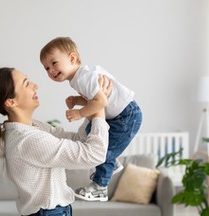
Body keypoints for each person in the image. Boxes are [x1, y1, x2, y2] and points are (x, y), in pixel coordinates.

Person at [0, 67, 112, 216]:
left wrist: (91, 109)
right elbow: (95, 155)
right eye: (26, 83)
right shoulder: (27, 140)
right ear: (11, 102)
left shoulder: (34, 128)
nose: (35, 85)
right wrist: (99, 108)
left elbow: (77, 140)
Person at [40, 37, 143, 202]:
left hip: (126, 116)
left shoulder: (83, 78)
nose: (51, 70)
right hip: (117, 115)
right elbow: (94, 99)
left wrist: (79, 113)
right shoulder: (78, 79)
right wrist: (77, 100)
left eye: (54, 63)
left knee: (100, 151)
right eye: (46, 68)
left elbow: (101, 102)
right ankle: (112, 162)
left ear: (72, 58)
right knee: (90, 132)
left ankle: (100, 186)